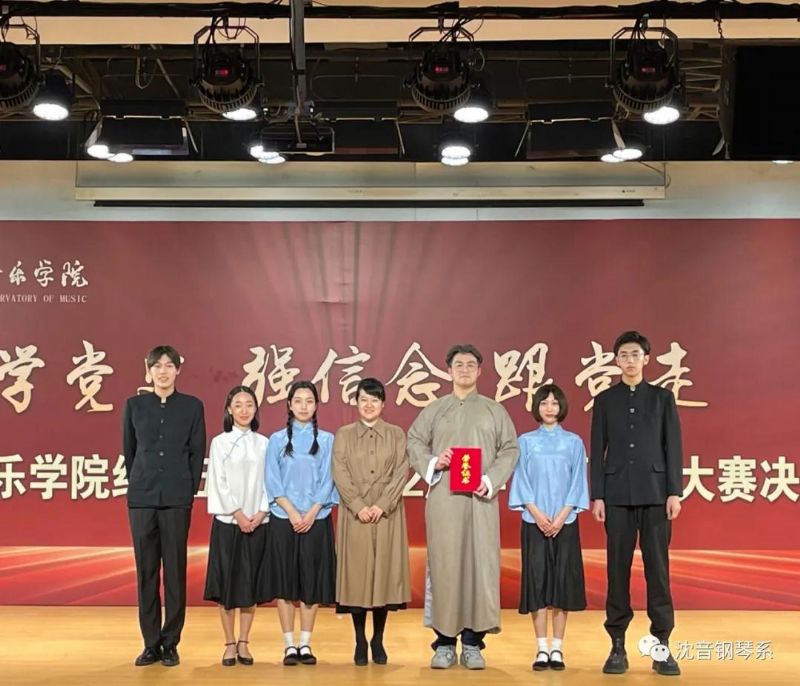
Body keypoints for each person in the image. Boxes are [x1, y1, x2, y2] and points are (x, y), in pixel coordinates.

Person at [407, 343, 519, 670]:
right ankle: (444, 642)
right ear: (449, 371)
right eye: (459, 364)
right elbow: (414, 440)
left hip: (481, 500)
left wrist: (491, 479)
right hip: (445, 500)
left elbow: (510, 449)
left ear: (480, 371)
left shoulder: (493, 410)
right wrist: (434, 461)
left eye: (471, 364)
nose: (465, 370)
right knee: (445, 566)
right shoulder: (435, 409)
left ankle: (472, 643)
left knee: (479, 567)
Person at [590, 331, 683, 676]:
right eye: (624, 355)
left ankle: (662, 646)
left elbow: (673, 447)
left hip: (656, 496)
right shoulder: (605, 400)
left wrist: (674, 492)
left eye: (635, 354)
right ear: (616, 361)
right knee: (617, 571)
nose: (630, 360)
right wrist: (598, 495)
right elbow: (597, 450)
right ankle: (617, 645)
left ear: (646, 359)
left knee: (658, 571)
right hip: (616, 497)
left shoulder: (662, 398)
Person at [123, 345, 206, 667]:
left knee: (174, 571)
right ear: (148, 370)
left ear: (178, 370)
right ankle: (150, 644)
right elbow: (129, 451)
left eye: (169, 365)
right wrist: (140, 482)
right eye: (157, 366)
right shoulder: (134, 406)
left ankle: (170, 643)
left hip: (176, 499)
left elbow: (196, 453)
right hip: (142, 498)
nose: (163, 371)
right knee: (146, 572)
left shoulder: (191, 406)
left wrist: (186, 491)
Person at [508, 384, 589, 672]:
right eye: (544, 403)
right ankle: (541, 648)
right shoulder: (525, 442)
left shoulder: (574, 443)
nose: (550, 408)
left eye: (554, 402)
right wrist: (537, 513)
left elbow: (578, 483)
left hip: (565, 523)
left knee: (562, 584)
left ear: (561, 407)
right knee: (538, 583)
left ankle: (557, 648)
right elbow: (521, 481)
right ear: (537, 407)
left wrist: (562, 515)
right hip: (535, 522)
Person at [333, 377, 411, 666]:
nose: (369, 405)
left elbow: (401, 471)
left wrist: (381, 504)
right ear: (356, 403)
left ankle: (378, 638)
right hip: (356, 515)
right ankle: (359, 639)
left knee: (383, 577)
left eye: (374, 400)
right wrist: (358, 505)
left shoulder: (396, 434)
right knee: (357, 578)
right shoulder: (343, 435)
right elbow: (339, 471)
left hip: (386, 514)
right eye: (363, 400)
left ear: (383, 404)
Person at [264, 380, 338, 666]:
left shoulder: (328, 440)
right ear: (289, 405)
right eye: (298, 401)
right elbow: (272, 480)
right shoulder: (276, 440)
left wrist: (313, 511)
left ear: (316, 405)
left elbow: (329, 479)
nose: (304, 406)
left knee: (311, 582)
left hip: (316, 519)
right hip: (284, 519)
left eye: (309, 401)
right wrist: (292, 512)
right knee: (285, 584)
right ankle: (288, 645)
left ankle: (305, 644)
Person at [203, 385, 270, 667]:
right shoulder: (220, 442)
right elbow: (218, 482)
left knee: (250, 585)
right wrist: (238, 514)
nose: (244, 410)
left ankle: (244, 641)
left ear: (256, 409)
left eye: (249, 405)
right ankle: (229, 643)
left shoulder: (264, 443)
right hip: (228, 523)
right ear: (229, 409)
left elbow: (270, 481)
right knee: (227, 586)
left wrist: (261, 512)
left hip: (258, 522)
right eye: (238, 405)